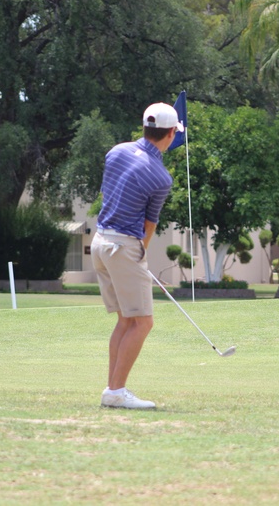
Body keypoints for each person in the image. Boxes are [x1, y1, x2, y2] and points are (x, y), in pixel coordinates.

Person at [91, 102, 183, 410]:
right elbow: (149, 224)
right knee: (143, 323)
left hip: (100, 242)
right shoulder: (161, 177)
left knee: (126, 320)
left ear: (145, 127)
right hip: (123, 246)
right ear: (170, 134)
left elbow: (109, 194)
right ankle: (116, 390)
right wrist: (139, 255)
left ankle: (112, 389)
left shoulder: (116, 152)